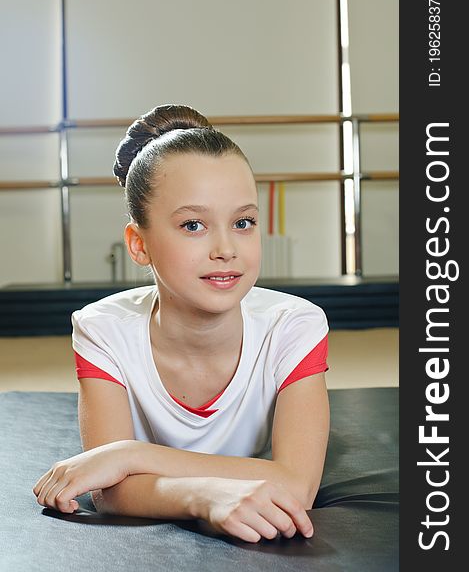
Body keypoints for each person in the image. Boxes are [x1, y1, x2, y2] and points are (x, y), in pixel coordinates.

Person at [32, 104, 330, 543]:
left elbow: (296, 486)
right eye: (193, 225)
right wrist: (203, 496)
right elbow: (110, 493)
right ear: (139, 244)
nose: (226, 248)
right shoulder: (103, 328)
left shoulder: (294, 325)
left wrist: (128, 454)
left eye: (243, 222)